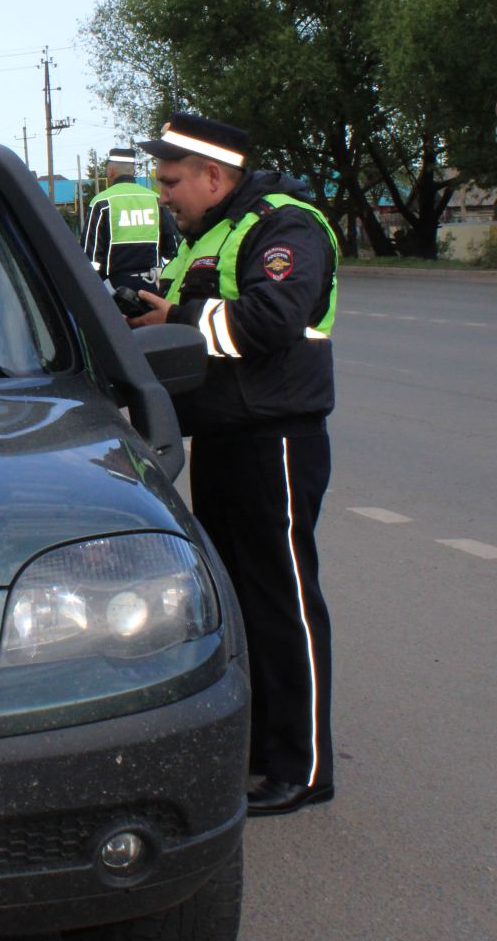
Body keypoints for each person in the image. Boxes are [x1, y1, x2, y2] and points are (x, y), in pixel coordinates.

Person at [126, 111, 340, 817]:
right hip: (223, 437)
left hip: (274, 441)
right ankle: (256, 751)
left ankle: (302, 768)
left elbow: (272, 320)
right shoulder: (212, 233)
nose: (162, 194)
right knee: (239, 603)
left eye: (171, 180)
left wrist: (180, 321)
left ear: (214, 176)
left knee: (283, 603)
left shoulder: (286, 225)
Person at [81, 148, 178, 292]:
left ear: (110, 171)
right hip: (153, 287)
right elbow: (173, 248)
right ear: (133, 171)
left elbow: (91, 256)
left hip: (114, 289)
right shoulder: (156, 200)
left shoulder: (101, 202)